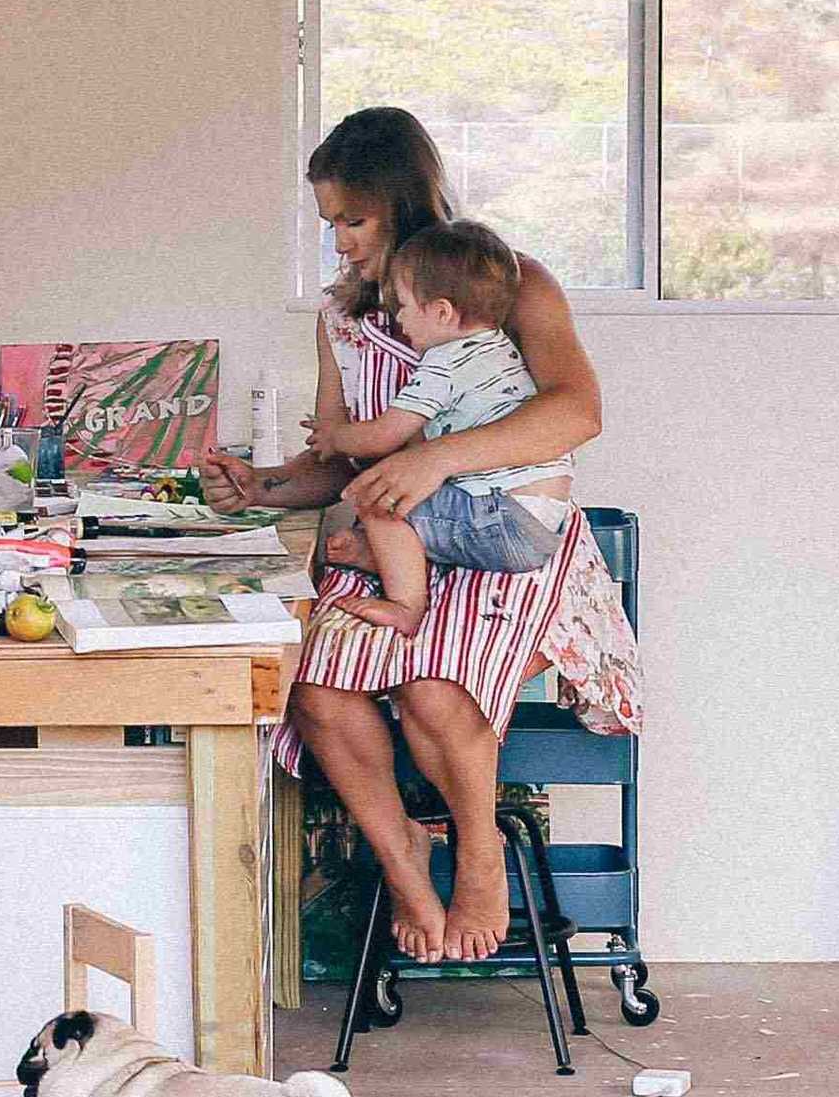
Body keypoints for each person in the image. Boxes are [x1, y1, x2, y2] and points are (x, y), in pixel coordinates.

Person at [208, 109, 639, 964]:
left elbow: (575, 411)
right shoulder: (338, 320)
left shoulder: (507, 283)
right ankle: (403, 853)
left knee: (437, 690)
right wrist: (264, 488)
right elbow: (338, 459)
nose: (339, 243)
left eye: (354, 221)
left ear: (404, 203)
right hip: (404, 542)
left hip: (509, 537)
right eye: (329, 222)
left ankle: (479, 858)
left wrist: (439, 459)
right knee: (318, 688)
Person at [309, 215, 569, 637]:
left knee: (378, 501)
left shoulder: (444, 362)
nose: (401, 320)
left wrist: (335, 436)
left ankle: (406, 603)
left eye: (405, 307)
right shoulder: (500, 348)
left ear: (442, 312)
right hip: (544, 521)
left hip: (503, 518)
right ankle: (392, 553)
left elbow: (386, 435)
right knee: (422, 496)